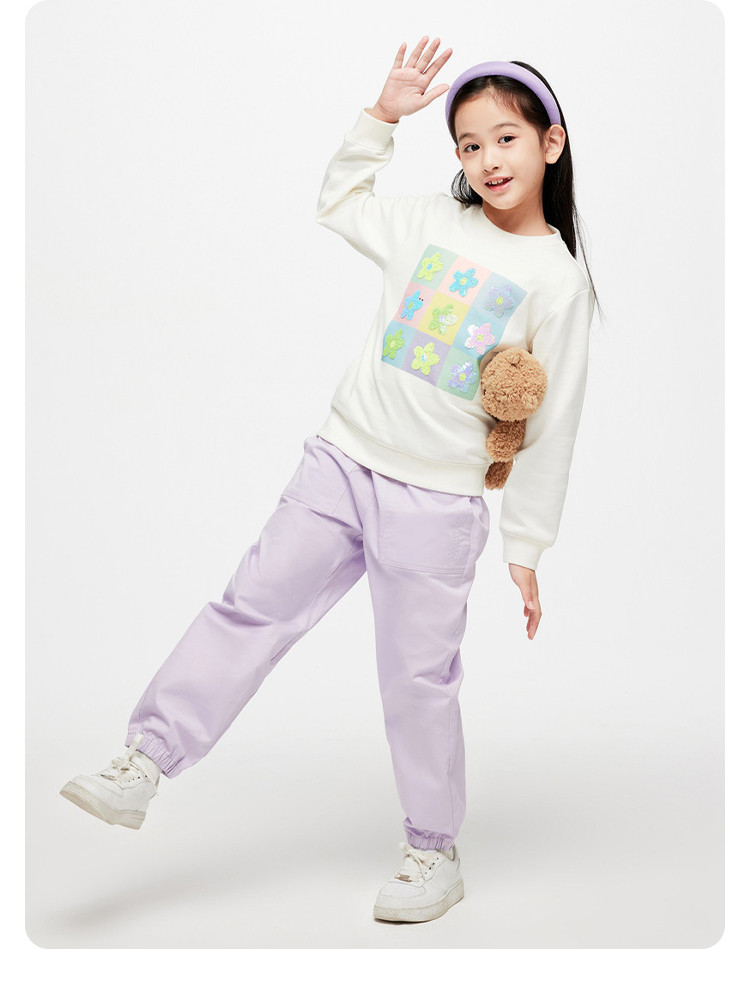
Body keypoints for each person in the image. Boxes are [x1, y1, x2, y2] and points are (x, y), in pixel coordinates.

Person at [60, 35, 600, 924]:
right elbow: (339, 201)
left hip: (438, 505)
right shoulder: (428, 221)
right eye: (469, 144)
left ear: (551, 142)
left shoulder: (559, 281)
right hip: (341, 464)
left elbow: (554, 422)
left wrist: (527, 544)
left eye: (506, 139)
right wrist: (382, 116)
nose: (487, 160)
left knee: (416, 681)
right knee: (250, 608)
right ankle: (144, 762)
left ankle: (432, 852)